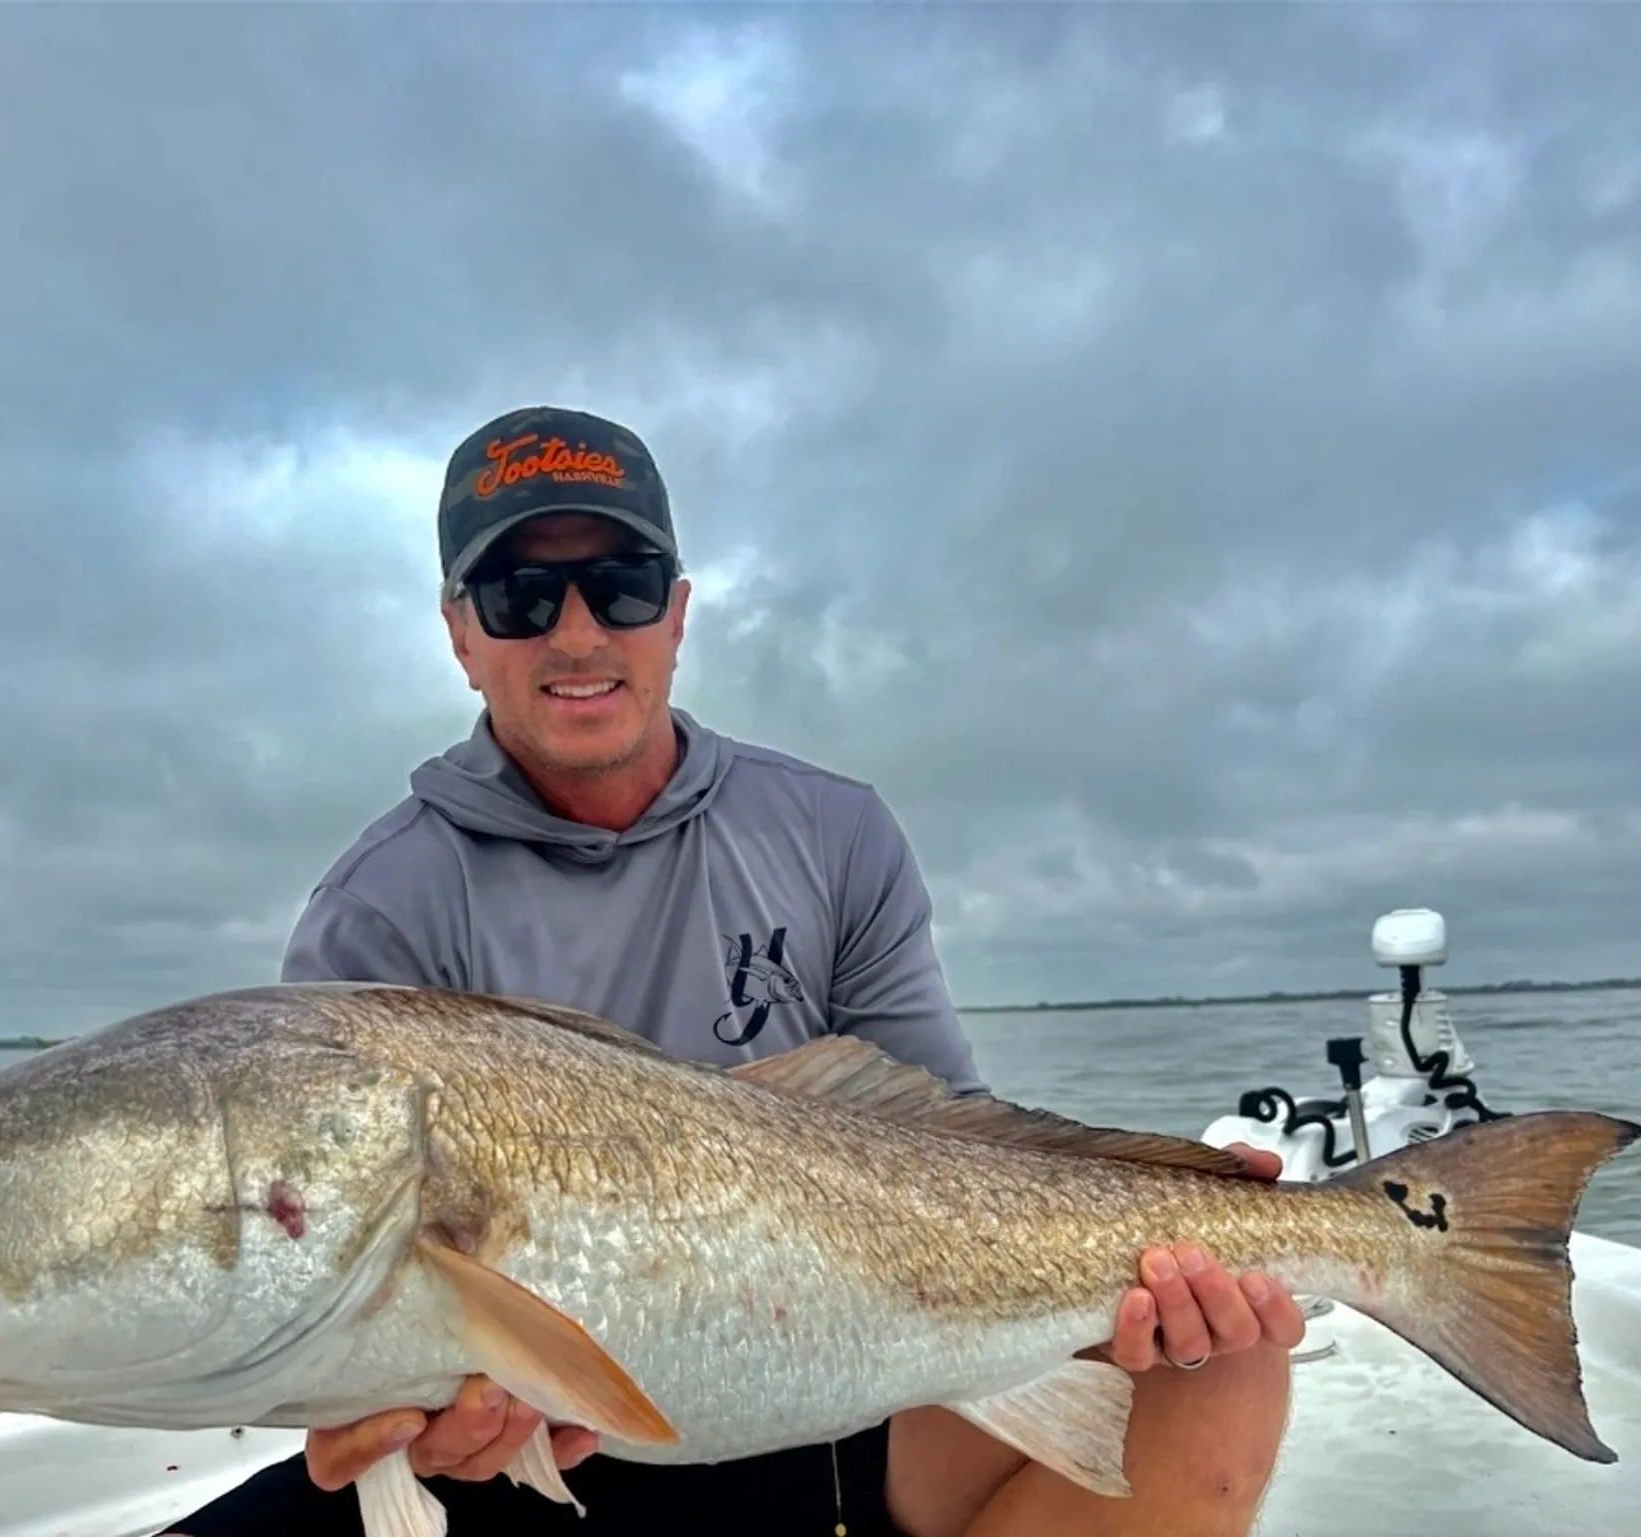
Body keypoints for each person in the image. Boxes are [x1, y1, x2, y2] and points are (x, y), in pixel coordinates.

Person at [168, 405, 1306, 1537]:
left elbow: (954, 1149)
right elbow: (329, 1303)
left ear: (675, 613)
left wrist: (1159, 1193)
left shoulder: (833, 831)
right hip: (540, 1450)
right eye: (520, 597)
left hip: (846, 1390)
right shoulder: (381, 907)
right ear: (461, 635)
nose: (577, 635)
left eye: (620, 586)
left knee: (1224, 1357)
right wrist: (378, 1414)